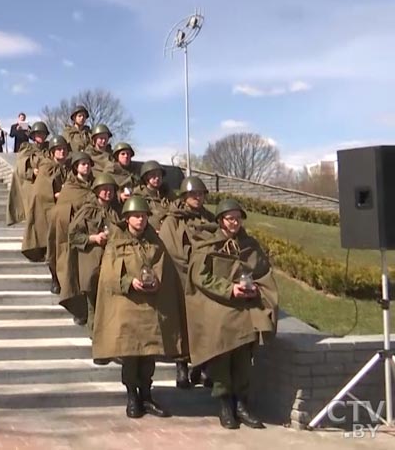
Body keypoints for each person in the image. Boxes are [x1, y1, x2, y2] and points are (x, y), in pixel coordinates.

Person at [186, 199, 278, 430]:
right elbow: (200, 276)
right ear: (220, 221)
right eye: (230, 218)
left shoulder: (250, 245)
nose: (235, 222)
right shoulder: (208, 244)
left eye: (238, 218)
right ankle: (225, 406)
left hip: (246, 310)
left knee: (244, 362)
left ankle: (242, 406)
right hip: (220, 308)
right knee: (222, 361)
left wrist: (255, 288)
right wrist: (229, 289)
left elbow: (263, 272)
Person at [92, 196, 185, 420]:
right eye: (136, 216)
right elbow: (109, 273)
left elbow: (163, 267)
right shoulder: (117, 242)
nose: (140, 220)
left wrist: (156, 281)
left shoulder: (155, 242)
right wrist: (129, 282)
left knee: (148, 355)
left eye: (143, 216)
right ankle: (132, 396)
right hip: (128, 306)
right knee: (131, 355)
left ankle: (147, 395)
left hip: (150, 308)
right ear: (127, 218)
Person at [158, 176, 217, 389]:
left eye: (200, 194)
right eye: (193, 195)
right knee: (182, 324)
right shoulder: (173, 219)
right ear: (184, 196)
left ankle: (202, 367)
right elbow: (170, 249)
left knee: (205, 324)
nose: (198, 198)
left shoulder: (210, 218)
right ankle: (181, 367)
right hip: (181, 278)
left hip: (206, 279)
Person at [68, 173, 121, 334]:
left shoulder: (116, 211)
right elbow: (73, 236)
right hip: (92, 260)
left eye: (110, 189)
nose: (108, 193)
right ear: (96, 191)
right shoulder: (87, 210)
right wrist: (93, 238)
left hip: (113, 261)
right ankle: (95, 338)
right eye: (104, 189)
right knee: (94, 301)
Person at [50, 152, 96, 304]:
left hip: (94, 229)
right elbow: (61, 210)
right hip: (74, 230)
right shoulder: (69, 187)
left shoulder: (96, 184)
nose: (86, 166)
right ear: (76, 167)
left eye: (88, 164)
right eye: (83, 164)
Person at [22, 135, 69, 264]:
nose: (62, 152)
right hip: (49, 204)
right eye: (58, 149)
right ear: (52, 152)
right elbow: (41, 189)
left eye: (64, 149)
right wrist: (55, 194)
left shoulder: (67, 168)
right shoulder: (46, 166)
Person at [7, 121, 50, 226]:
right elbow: (21, 165)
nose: (40, 136)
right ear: (33, 136)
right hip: (32, 184)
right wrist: (32, 171)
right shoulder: (27, 148)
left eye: (43, 134)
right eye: (38, 134)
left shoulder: (49, 149)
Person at [135, 161, 175, 229]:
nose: (157, 178)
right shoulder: (139, 197)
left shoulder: (168, 195)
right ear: (145, 178)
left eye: (159, 175)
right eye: (153, 175)